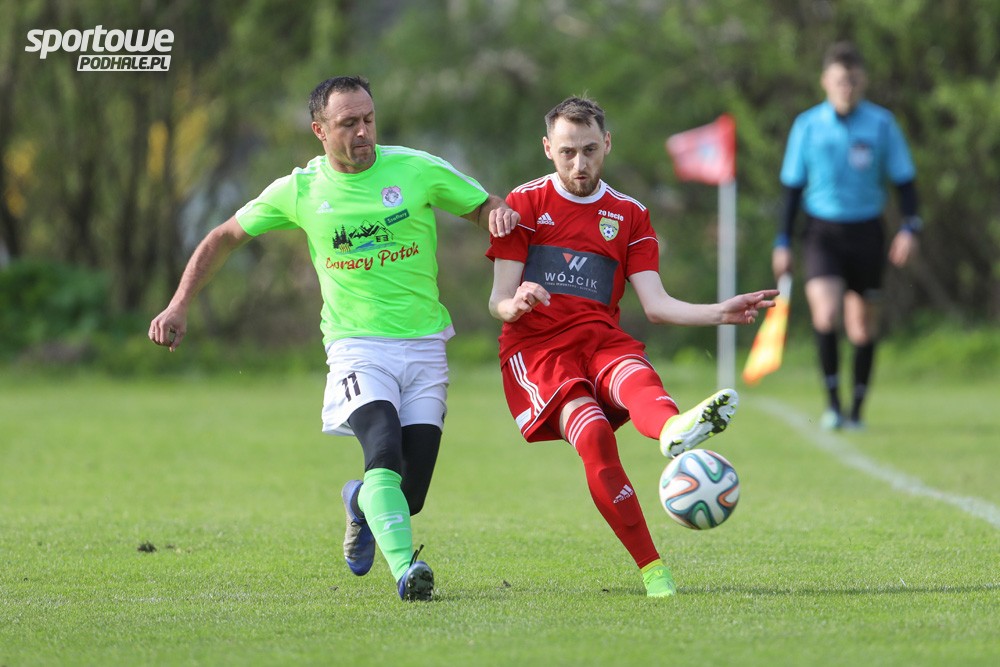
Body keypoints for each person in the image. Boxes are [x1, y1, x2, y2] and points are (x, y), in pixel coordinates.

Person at [149, 75, 519, 602]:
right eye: (348, 123)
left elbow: (484, 206)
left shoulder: (415, 168)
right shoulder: (300, 190)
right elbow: (224, 236)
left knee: (408, 495)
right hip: (356, 347)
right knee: (382, 449)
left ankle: (358, 501)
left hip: (425, 347)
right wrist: (179, 303)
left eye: (368, 119)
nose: (363, 131)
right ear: (319, 131)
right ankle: (407, 573)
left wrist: (497, 212)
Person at [486, 96, 777, 597]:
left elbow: (656, 304)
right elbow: (498, 300)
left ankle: (672, 429)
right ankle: (652, 569)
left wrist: (719, 312)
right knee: (595, 434)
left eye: (590, 150)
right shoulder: (524, 204)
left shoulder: (629, 214)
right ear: (548, 149)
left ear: (607, 144)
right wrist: (517, 303)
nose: (579, 164)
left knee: (636, 374)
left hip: (600, 338)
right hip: (539, 351)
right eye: (567, 152)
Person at [772, 42, 922, 430]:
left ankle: (856, 410)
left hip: (867, 230)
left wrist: (910, 227)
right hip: (822, 231)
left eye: (853, 81)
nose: (847, 88)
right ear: (825, 81)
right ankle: (833, 406)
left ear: (863, 81)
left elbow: (905, 181)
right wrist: (782, 242)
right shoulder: (807, 125)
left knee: (862, 326)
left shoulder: (882, 124)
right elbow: (792, 189)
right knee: (825, 313)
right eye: (840, 80)